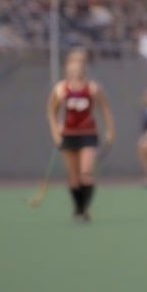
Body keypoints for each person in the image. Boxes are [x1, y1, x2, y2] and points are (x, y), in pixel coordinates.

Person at [45, 47, 115, 222]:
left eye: (79, 66)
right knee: (73, 176)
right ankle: (77, 208)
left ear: (84, 67)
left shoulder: (93, 88)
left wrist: (110, 130)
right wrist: (55, 131)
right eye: (72, 66)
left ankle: (85, 209)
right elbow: (51, 112)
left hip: (88, 133)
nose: (75, 70)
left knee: (86, 172)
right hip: (68, 134)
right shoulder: (61, 88)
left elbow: (105, 109)